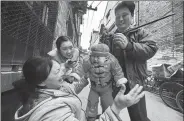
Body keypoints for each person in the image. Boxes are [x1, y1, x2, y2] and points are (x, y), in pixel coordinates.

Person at [14, 56, 145, 121]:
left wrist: (85, 78)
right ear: (42, 82)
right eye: (57, 72)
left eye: (62, 69)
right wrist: (117, 106)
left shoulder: (48, 89)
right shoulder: (52, 114)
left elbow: (70, 90)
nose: (63, 73)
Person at [104, 1, 158, 121]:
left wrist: (129, 46)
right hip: (114, 84)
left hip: (135, 83)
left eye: (124, 15)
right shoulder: (111, 37)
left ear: (132, 16)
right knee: (110, 113)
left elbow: (152, 48)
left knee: (139, 117)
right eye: (117, 16)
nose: (120, 19)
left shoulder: (140, 33)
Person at [83, 44, 128, 121]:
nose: (95, 59)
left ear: (106, 57)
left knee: (108, 105)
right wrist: (76, 76)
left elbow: (117, 71)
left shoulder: (112, 60)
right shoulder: (88, 61)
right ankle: (90, 118)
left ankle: (108, 118)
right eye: (93, 56)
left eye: (98, 57)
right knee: (91, 104)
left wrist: (120, 79)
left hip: (107, 89)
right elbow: (81, 70)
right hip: (94, 88)